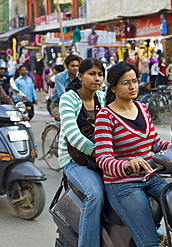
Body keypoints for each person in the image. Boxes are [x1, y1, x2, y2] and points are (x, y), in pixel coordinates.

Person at [94, 61, 171, 246]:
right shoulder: (106, 116)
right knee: (149, 242)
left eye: (135, 81)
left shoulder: (143, 108)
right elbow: (103, 159)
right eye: (126, 82)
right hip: (124, 185)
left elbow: (155, 143)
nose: (133, 86)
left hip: (151, 177)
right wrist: (127, 164)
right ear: (112, 87)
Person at [58, 58, 106, 247]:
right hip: (74, 160)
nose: (97, 79)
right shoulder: (69, 98)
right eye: (92, 74)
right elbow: (73, 135)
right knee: (94, 194)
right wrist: (100, 153)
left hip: (101, 157)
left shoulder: (102, 98)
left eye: (100, 75)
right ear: (80, 76)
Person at [50, 55, 80, 120]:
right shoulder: (59, 77)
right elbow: (62, 94)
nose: (75, 68)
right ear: (66, 66)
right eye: (72, 66)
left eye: (77, 66)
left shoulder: (79, 77)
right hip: (58, 105)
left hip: (76, 105)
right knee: (68, 118)